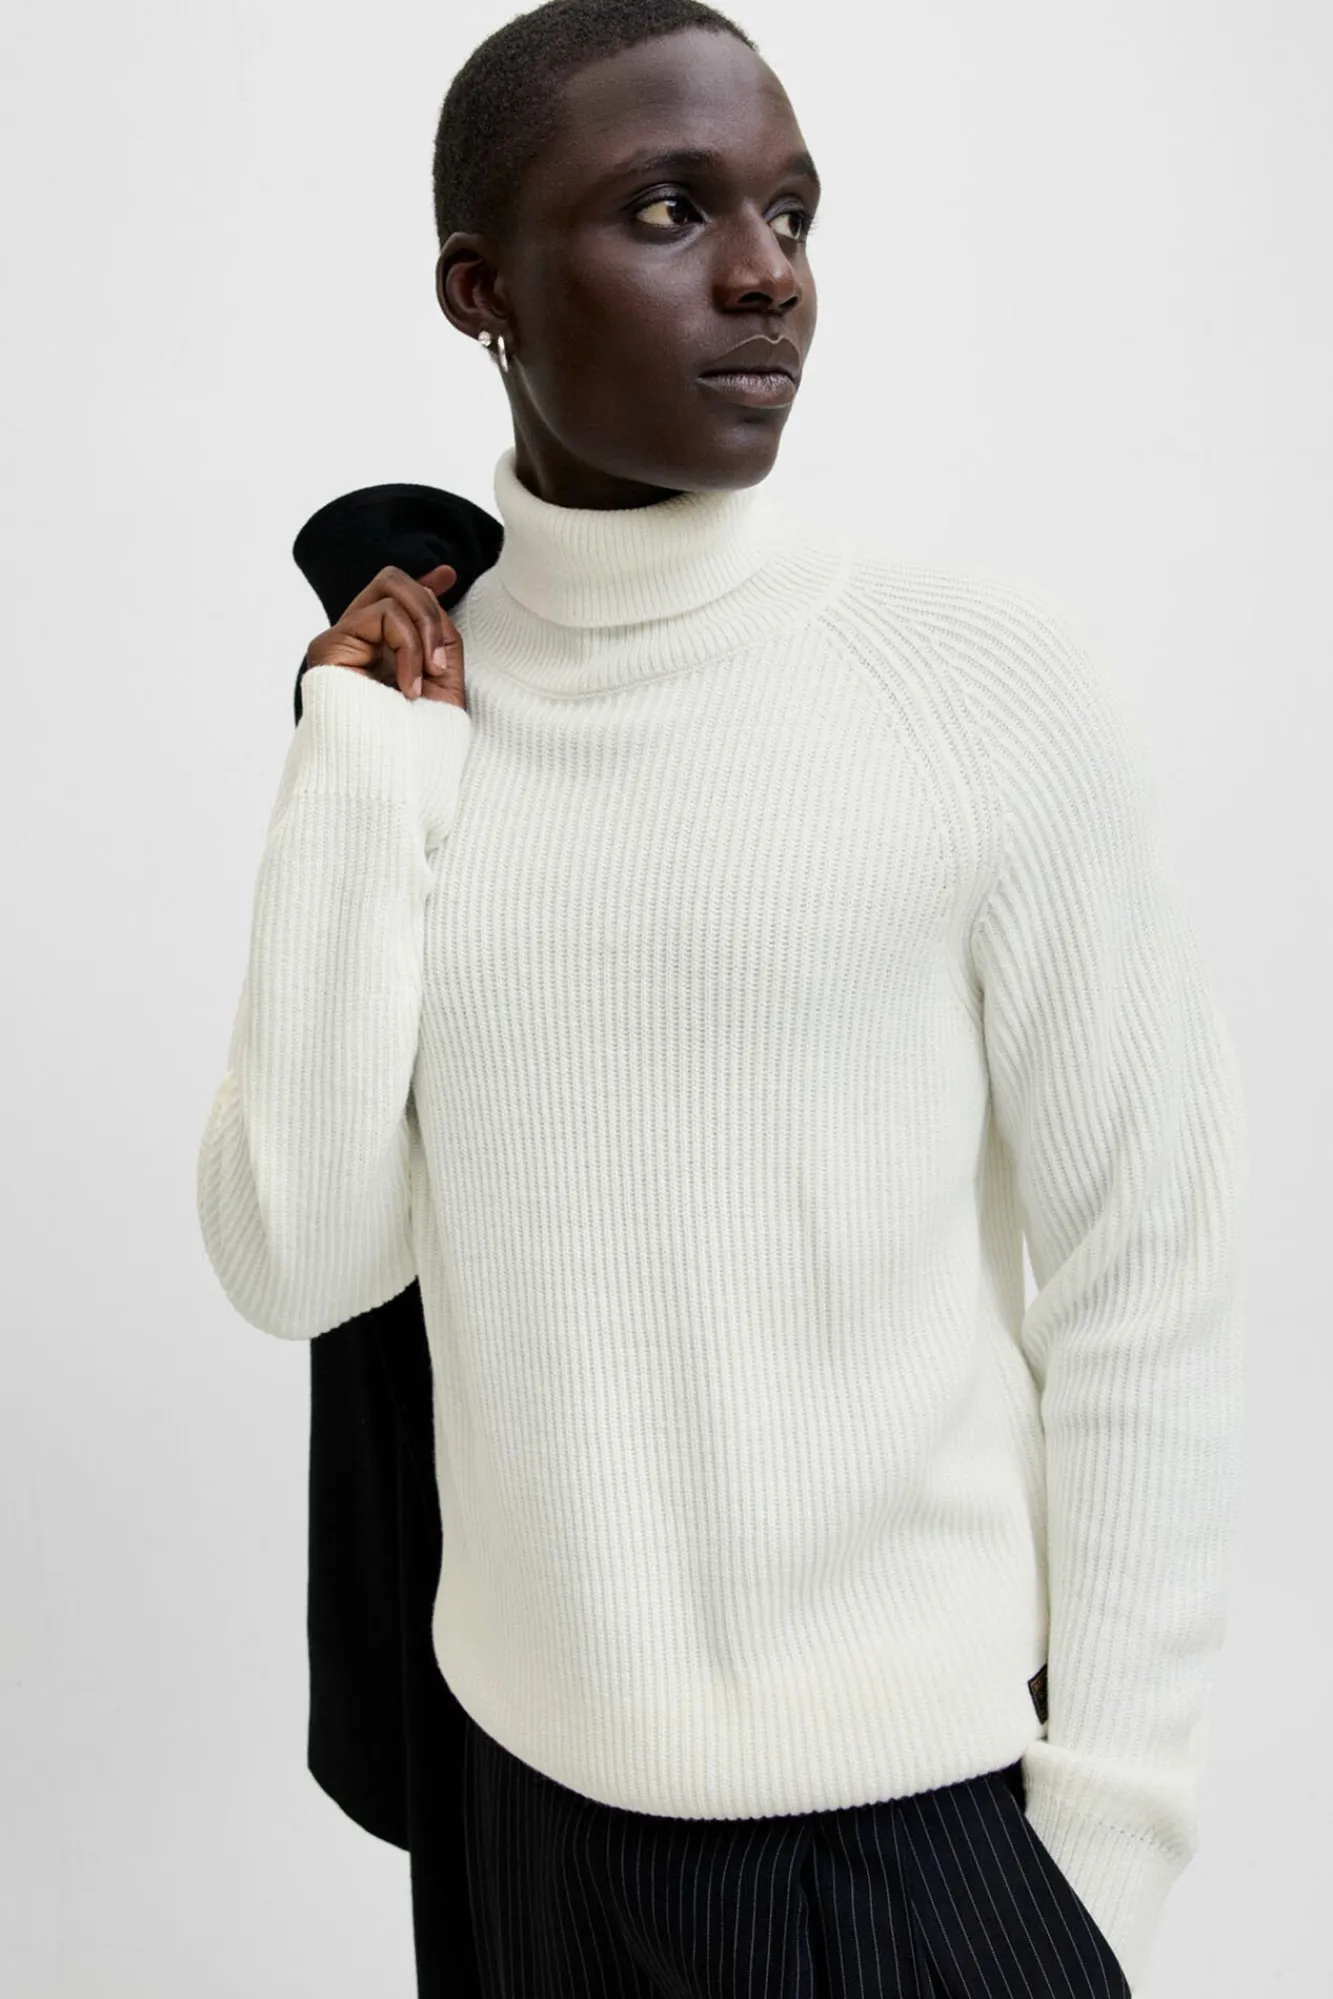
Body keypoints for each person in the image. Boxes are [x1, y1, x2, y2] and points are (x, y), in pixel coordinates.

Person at [197, 2, 1248, 1994]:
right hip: (519, 1826)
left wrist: (1107, 1844)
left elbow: (1149, 1275)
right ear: (481, 292)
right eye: (670, 210)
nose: (767, 272)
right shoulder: (411, 714)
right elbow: (298, 1255)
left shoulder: (978, 690)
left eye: (791, 212)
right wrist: (357, 768)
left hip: (910, 1843)